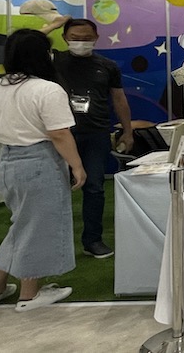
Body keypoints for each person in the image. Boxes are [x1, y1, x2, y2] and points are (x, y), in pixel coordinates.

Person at [0, 29, 86, 312]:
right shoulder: (46, 89)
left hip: (6, 162)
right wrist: (77, 165)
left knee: (21, 223)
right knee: (38, 227)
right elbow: (59, 134)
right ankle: (29, 295)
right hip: (38, 162)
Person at [51, 18, 133, 260]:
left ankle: (93, 241)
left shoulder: (107, 66)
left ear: (96, 38)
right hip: (59, 133)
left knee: (95, 187)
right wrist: (53, 25)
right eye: (75, 38)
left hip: (96, 133)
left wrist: (127, 131)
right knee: (54, 189)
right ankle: (53, 244)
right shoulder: (53, 62)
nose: (81, 42)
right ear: (65, 38)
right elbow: (25, 44)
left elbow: (119, 99)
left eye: (86, 38)